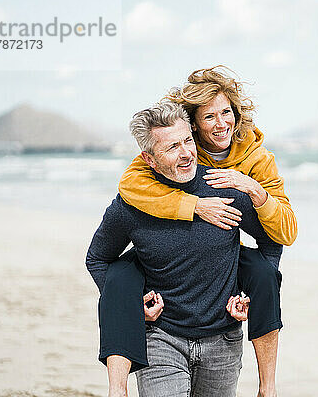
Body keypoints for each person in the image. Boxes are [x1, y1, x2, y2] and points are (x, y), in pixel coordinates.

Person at [112, 66, 297, 397]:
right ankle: (118, 385)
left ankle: (268, 387)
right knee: (123, 273)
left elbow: (283, 231)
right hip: (180, 256)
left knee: (265, 275)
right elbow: (131, 184)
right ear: (194, 123)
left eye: (226, 112)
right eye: (209, 116)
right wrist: (195, 205)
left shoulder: (258, 159)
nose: (221, 123)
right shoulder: (181, 147)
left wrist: (255, 191)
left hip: (225, 250)